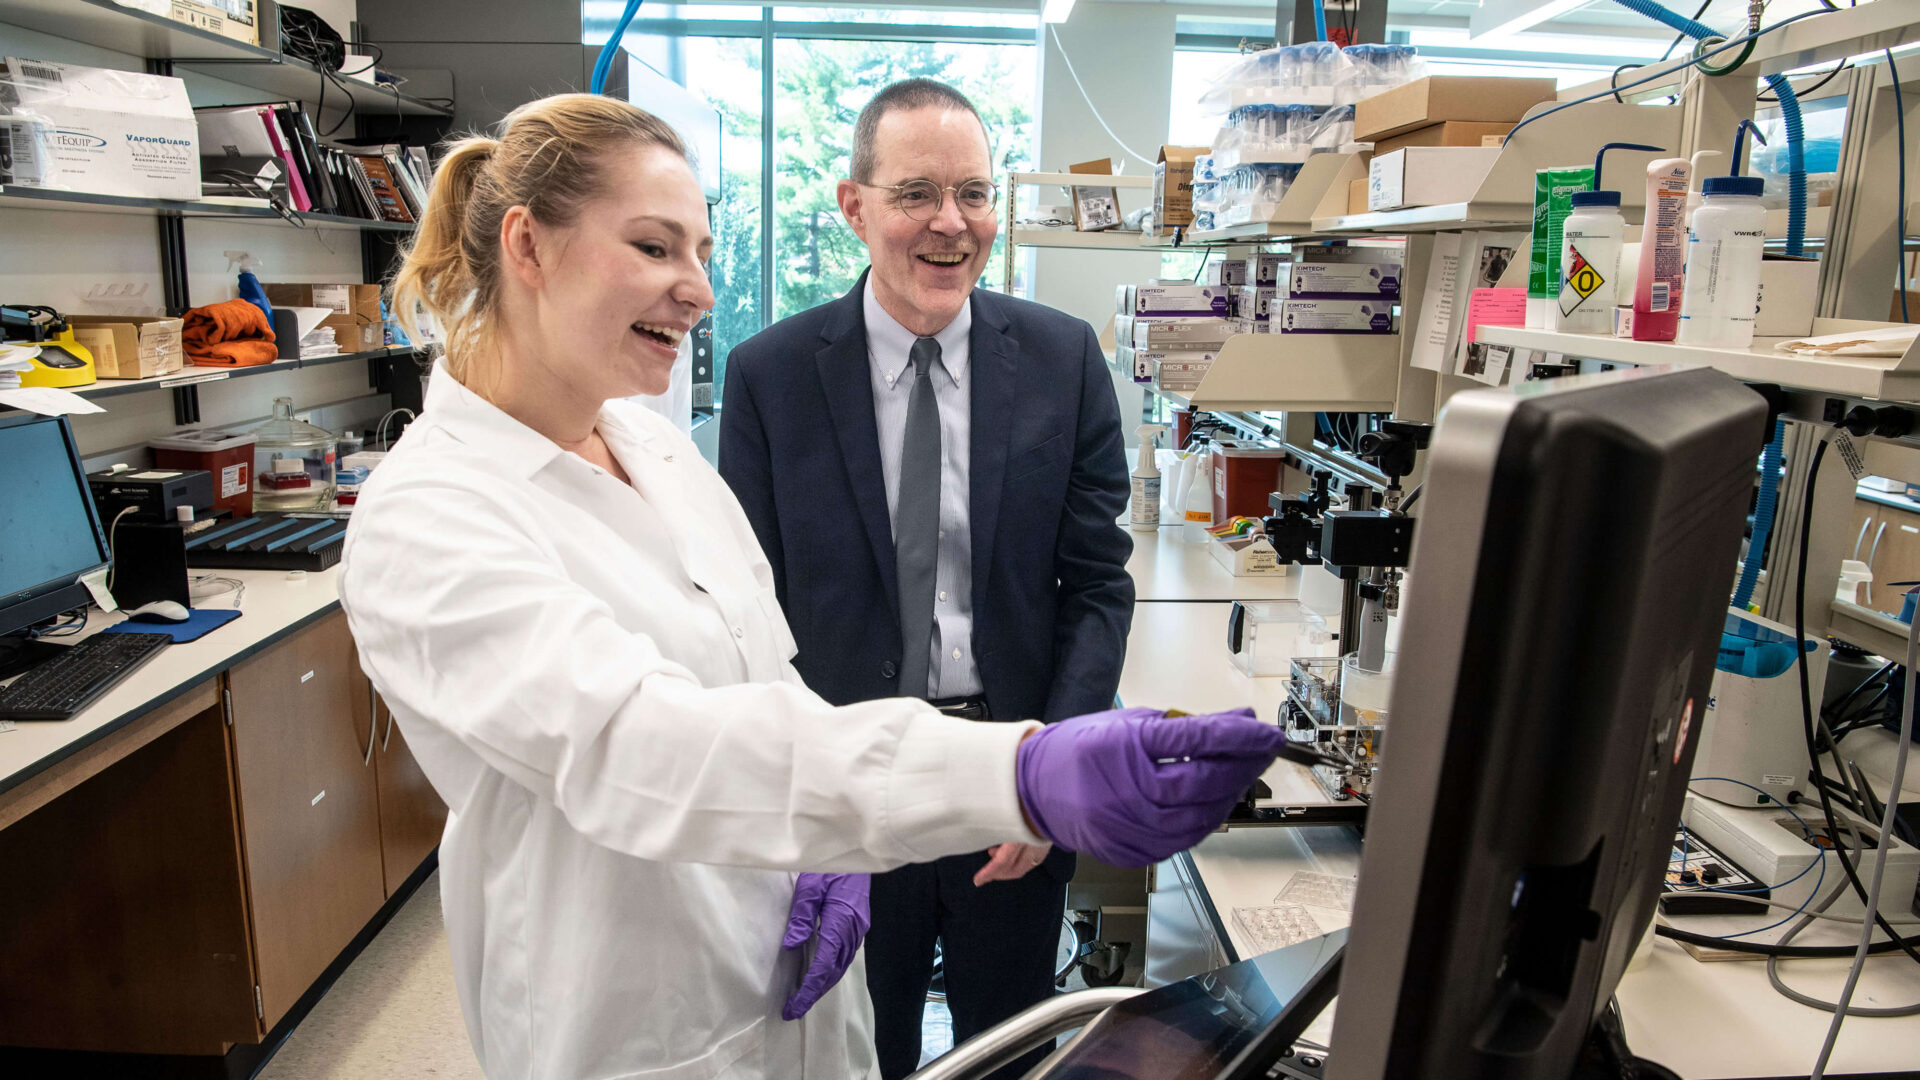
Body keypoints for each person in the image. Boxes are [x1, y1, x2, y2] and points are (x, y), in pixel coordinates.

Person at [340, 93, 1283, 1080]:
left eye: (700, 251)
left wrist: (835, 844)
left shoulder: (652, 449)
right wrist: (1013, 776)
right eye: (657, 248)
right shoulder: (431, 515)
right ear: (528, 247)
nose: (699, 289)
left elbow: (765, 662)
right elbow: (633, 743)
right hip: (634, 1016)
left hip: (791, 965)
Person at [718, 79, 1133, 1079]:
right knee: (856, 1048)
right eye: (916, 194)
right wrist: (796, 804)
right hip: (847, 787)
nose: (953, 224)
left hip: (1006, 779)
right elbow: (741, 605)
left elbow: (1097, 583)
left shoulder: (1062, 359)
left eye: (975, 194)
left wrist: (1052, 777)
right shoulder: (771, 376)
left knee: (1005, 1048)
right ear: (854, 206)